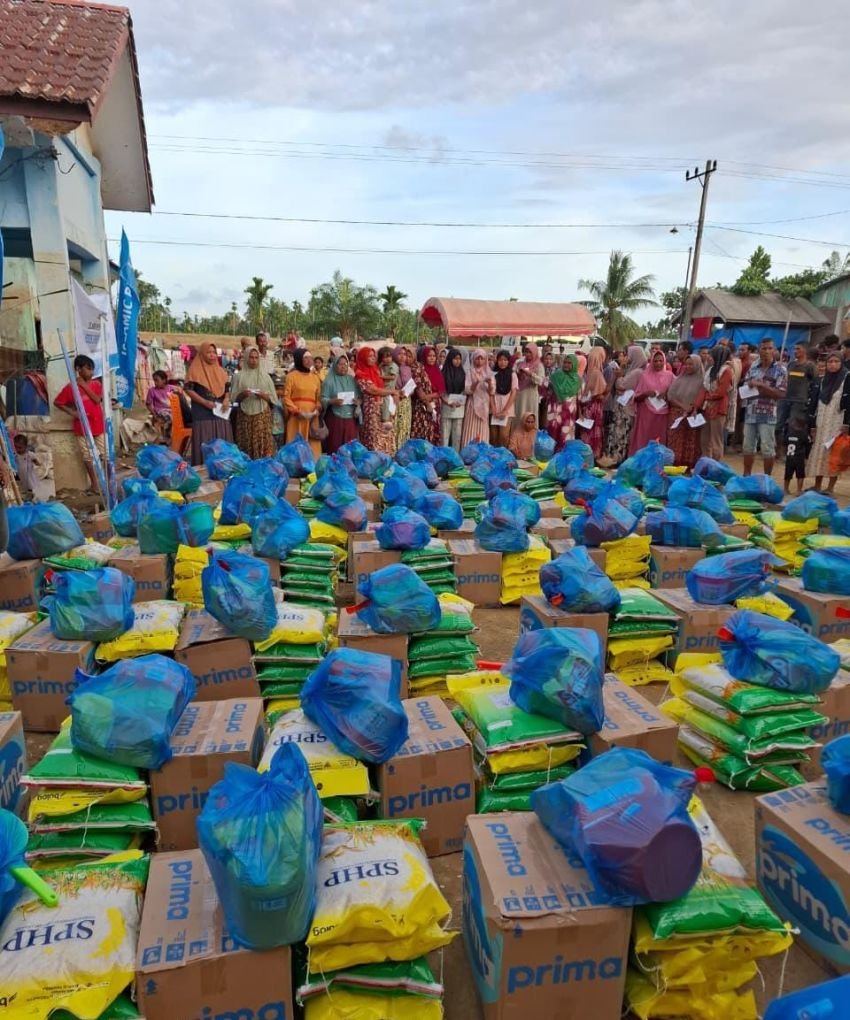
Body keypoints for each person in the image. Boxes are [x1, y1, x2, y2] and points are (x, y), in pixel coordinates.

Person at [54, 354, 107, 491]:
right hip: (82, 427)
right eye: (88, 368)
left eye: (92, 369)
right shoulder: (70, 388)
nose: (91, 372)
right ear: (78, 369)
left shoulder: (96, 384)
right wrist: (73, 413)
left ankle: (109, 481)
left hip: (98, 424)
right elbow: (58, 402)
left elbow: (96, 400)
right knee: (87, 456)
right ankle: (94, 484)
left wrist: (83, 385)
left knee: (105, 454)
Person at [741, 338, 787, 477]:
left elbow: (781, 393)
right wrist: (752, 385)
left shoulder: (780, 370)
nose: (767, 351)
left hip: (768, 414)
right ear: (759, 350)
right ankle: (746, 476)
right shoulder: (753, 367)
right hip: (751, 412)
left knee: (767, 448)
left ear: (774, 350)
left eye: (770, 348)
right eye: (764, 348)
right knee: (747, 447)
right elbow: (745, 387)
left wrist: (761, 386)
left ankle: (767, 478)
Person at [807, 350, 850, 492]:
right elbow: (814, 403)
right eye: (830, 362)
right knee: (820, 451)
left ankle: (830, 488)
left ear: (841, 363)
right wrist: (812, 425)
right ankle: (817, 485)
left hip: (837, 422)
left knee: (835, 453)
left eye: (836, 361)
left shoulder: (847, 378)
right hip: (822, 421)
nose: (832, 365)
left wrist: (847, 424)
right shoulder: (822, 380)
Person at [184, 342, 233, 465]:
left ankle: (223, 466)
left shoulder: (221, 371)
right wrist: (204, 402)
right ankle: (204, 467)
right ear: (202, 354)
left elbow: (227, 389)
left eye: (214, 352)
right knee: (206, 439)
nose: (212, 355)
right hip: (203, 414)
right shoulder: (194, 370)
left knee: (222, 440)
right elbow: (188, 389)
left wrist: (226, 399)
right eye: (208, 352)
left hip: (220, 412)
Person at [602, 345, 646, 466]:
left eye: (628, 355)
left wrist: (619, 375)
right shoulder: (633, 370)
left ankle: (618, 459)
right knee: (618, 432)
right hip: (623, 406)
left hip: (626, 409)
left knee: (621, 433)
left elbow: (621, 385)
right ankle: (615, 458)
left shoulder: (637, 372)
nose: (626, 357)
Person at [232, 347, 278, 459]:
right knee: (246, 444)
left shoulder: (265, 377)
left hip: (262, 416)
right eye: (251, 357)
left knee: (262, 445)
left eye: (256, 358)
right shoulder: (238, 376)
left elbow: (273, 399)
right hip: (244, 417)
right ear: (246, 358)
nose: (254, 360)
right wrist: (242, 395)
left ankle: (262, 467)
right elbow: (233, 399)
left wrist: (263, 395)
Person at [629, 349, 674, 454]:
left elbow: (675, 392)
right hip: (646, 414)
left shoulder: (670, 376)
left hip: (662, 415)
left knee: (658, 438)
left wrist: (666, 394)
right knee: (644, 438)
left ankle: (657, 459)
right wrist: (646, 394)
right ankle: (641, 458)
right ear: (652, 361)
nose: (658, 363)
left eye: (661, 361)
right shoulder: (645, 376)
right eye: (655, 361)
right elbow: (636, 397)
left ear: (664, 361)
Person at [776, 343, 816, 457]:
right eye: (794, 348)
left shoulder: (810, 366)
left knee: (793, 427)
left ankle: (790, 452)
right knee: (778, 425)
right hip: (785, 399)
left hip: (799, 401)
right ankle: (778, 449)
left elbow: (815, 382)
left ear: (805, 351)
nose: (795, 351)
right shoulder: (791, 364)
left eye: (798, 349)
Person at [665, 354, 704, 468]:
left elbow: (701, 397)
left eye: (691, 364)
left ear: (697, 364)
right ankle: (675, 463)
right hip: (677, 414)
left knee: (691, 441)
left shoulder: (702, 381)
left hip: (693, 415)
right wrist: (682, 406)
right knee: (675, 440)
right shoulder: (679, 379)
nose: (688, 367)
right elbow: (670, 396)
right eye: (686, 364)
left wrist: (692, 408)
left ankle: (689, 466)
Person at [355, 346, 397, 453]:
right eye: (369, 356)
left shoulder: (375, 370)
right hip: (371, 411)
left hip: (382, 408)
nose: (373, 358)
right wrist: (392, 391)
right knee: (373, 438)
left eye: (374, 356)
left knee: (386, 437)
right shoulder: (360, 374)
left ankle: (385, 460)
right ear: (363, 358)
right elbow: (373, 390)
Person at [283, 348, 323, 458]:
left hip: (312, 417)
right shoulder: (291, 376)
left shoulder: (315, 378)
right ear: (299, 359)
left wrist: (316, 410)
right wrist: (297, 412)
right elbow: (286, 398)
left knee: (312, 446)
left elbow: (318, 398)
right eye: (306, 358)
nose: (309, 360)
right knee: (295, 446)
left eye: (310, 357)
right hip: (297, 417)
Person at [698, 346, 733, 461]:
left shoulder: (726, 371)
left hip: (719, 408)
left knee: (716, 440)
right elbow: (704, 389)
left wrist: (707, 397)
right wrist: (696, 405)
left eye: (711, 355)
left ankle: (716, 465)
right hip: (707, 407)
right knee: (705, 438)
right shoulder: (711, 370)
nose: (709, 357)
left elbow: (721, 392)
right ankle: (706, 462)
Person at [321, 353, 359, 454]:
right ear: (335, 365)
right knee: (335, 445)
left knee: (350, 446)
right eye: (340, 364)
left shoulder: (352, 380)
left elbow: (359, 397)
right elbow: (322, 398)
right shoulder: (329, 381)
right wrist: (332, 401)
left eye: (345, 364)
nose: (343, 367)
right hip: (335, 418)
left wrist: (358, 402)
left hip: (350, 418)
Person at [576, 347, 608, 459]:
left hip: (588, 406)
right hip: (595, 406)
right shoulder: (597, 373)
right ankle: (592, 455)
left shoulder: (589, 372)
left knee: (587, 431)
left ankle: (586, 454)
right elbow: (598, 393)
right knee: (594, 430)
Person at [545, 352, 581, 451]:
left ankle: (564, 455)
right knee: (553, 431)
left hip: (569, 413)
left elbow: (580, 398)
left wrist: (581, 413)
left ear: (574, 365)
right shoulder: (556, 375)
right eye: (565, 362)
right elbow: (545, 384)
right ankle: (551, 453)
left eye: (569, 363)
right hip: (555, 410)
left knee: (566, 434)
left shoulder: (577, 379)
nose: (566, 365)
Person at [410, 346, 443, 444]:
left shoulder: (437, 371)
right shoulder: (419, 370)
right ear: (424, 357)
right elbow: (418, 389)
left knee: (434, 431)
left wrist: (429, 396)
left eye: (434, 356)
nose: (432, 358)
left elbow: (441, 391)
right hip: (422, 407)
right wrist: (426, 399)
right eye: (429, 356)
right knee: (422, 433)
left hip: (435, 406)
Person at [461, 349, 493, 447]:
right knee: (470, 428)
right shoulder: (469, 372)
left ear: (485, 360)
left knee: (482, 429)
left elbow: (492, 392)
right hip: (472, 405)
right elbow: (467, 390)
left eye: (482, 359)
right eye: (477, 359)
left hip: (484, 405)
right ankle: (468, 450)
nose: (479, 361)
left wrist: (489, 383)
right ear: (473, 359)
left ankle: (482, 451)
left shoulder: (489, 373)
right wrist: (476, 382)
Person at [512, 342, 545, 430]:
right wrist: (518, 373)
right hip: (519, 395)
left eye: (530, 352)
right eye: (526, 352)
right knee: (519, 415)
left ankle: (531, 437)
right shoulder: (519, 363)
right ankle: (517, 436)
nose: (528, 354)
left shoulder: (539, 365)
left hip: (531, 396)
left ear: (535, 352)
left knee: (530, 416)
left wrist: (530, 374)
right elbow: (513, 376)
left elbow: (540, 381)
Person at [440, 347, 467, 450]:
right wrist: (447, 401)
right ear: (450, 359)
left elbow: (464, 390)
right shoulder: (443, 373)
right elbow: (441, 390)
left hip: (459, 407)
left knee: (457, 437)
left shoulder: (463, 373)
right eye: (455, 358)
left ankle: (455, 456)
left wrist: (460, 401)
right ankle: (444, 456)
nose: (457, 361)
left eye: (459, 359)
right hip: (446, 406)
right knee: (445, 436)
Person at [490, 349, 518, 447]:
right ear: (497, 361)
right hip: (494, 407)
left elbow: (514, 393)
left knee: (504, 436)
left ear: (508, 361)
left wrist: (504, 411)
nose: (502, 362)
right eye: (500, 360)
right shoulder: (493, 374)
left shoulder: (512, 374)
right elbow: (491, 393)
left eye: (505, 360)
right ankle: (493, 454)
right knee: (493, 436)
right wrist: (494, 409)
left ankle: (503, 454)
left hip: (507, 408)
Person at [784, 405, 810, 496]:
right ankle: (799, 490)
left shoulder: (789, 434)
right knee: (800, 475)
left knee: (788, 474)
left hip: (789, 457)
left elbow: (785, 443)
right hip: (799, 458)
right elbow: (807, 444)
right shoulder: (803, 434)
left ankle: (786, 489)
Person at [393, 346, 414, 449]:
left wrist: (407, 392)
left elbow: (412, 386)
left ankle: (403, 452)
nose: (402, 357)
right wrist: (397, 392)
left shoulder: (408, 369)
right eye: (399, 354)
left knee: (404, 428)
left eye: (404, 354)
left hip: (406, 402)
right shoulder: (391, 368)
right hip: (394, 401)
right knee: (395, 428)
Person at [145, 370, 174, 441]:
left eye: (157, 380)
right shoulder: (152, 391)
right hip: (160, 411)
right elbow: (148, 404)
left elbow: (180, 391)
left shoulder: (171, 388)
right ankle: (166, 438)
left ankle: (168, 437)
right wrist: (154, 414)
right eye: (154, 380)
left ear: (164, 380)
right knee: (169, 417)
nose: (155, 383)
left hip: (172, 410)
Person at [378, 346, 399, 434]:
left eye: (389, 357)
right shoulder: (383, 366)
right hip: (383, 388)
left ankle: (385, 419)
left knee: (386, 401)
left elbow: (393, 377)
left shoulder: (393, 366)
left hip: (389, 389)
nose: (387, 359)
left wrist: (381, 377)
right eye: (384, 357)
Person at [539, 349, 556, 427]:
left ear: (553, 360)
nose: (548, 361)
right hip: (539, 396)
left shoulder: (556, 371)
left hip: (550, 397)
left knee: (547, 416)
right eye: (546, 359)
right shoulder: (540, 368)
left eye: (550, 359)